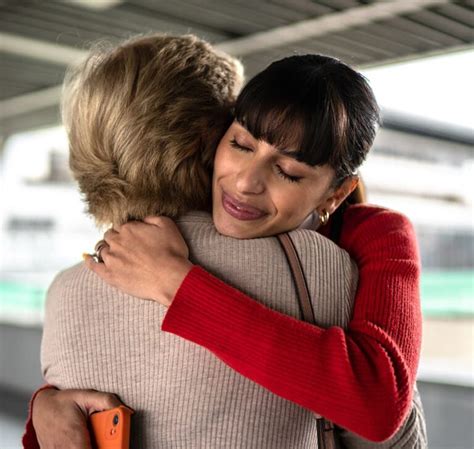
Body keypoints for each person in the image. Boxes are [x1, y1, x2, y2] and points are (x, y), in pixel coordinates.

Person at [23, 37, 425, 448]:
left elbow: (380, 404)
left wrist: (177, 283)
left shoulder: (370, 238)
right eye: (240, 144)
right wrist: (46, 406)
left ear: (334, 195)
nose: (246, 182)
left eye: (288, 171)